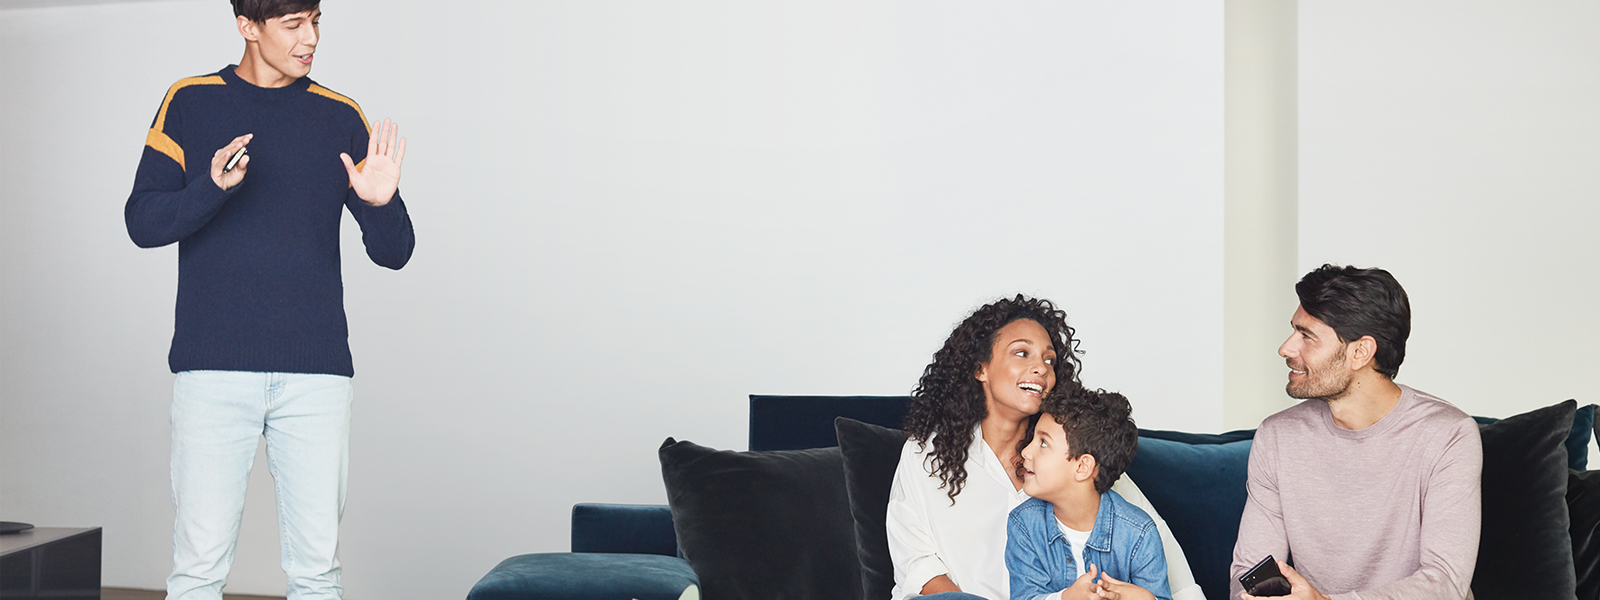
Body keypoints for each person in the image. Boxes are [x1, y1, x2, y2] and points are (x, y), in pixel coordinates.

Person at [124, 1, 415, 598]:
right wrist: (211, 188)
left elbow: (395, 253)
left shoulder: (340, 117)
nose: (310, 39)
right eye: (293, 25)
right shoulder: (190, 100)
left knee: (317, 573)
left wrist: (381, 203)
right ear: (247, 27)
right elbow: (143, 221)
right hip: (212, 369)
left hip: (316, 375)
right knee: (199, 570)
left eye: (315, 21)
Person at [887, 295, 1202, 600]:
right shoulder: (925, 454)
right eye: (1022, 353)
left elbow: (1161, 552)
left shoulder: (1079, 459)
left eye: (1049, 359)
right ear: (980, 368)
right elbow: (917, 566)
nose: (1041, 368)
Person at [1230, 265, 1481, 600]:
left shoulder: (1449, 434)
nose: (1286, 349)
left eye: (1307, 336)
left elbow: (1445, 583)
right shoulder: (1278, 436)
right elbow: (1249, 570)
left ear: (1361, 352)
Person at [1007, 388, 1170, 600]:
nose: (1026, 451)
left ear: (1083, 467)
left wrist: (1146, 599)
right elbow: (1024, 596)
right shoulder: (1024, 523)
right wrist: (1066, 598)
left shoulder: (1139, 533)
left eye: (1043, 443)